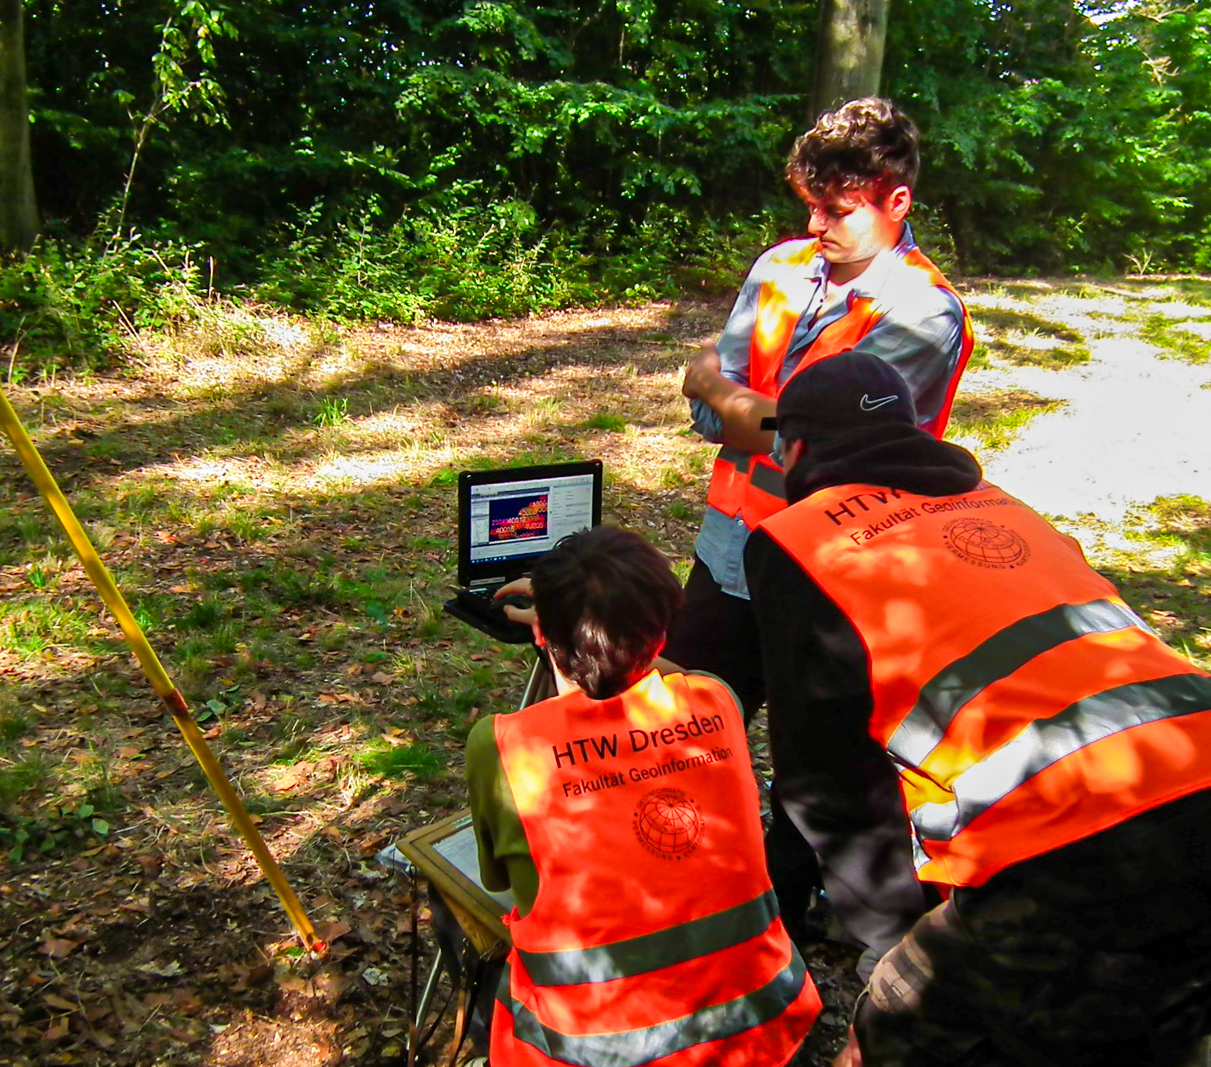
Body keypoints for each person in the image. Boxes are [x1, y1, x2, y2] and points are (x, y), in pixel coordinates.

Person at [745, 350, 1211, 1066]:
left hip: (1065, 836)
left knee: (891, 1039)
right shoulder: (1001, 501)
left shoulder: (800, 540)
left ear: (796, 449)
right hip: (1192, 760)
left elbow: (825, 781)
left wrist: (894, 939)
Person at [467, 525, 819, 1067]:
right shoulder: (718, 701)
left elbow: (504, 883)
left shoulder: (502, 746)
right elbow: (679, 677)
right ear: (661, 636)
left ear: (541, 636)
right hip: (762, 1020)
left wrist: (569, 619)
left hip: (588, 1047)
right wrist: (603, 622)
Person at [673, 96, 975, 722]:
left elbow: (810, 446)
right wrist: (741, 412)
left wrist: (711, 385)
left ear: (897, 204)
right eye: (811, 206)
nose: (816, 225)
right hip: (728, 551)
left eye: (837, 210)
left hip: (840, 572)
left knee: (815, 781)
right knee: (683, 735)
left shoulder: (923, 312)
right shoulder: (777, 268)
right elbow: (718, 425)